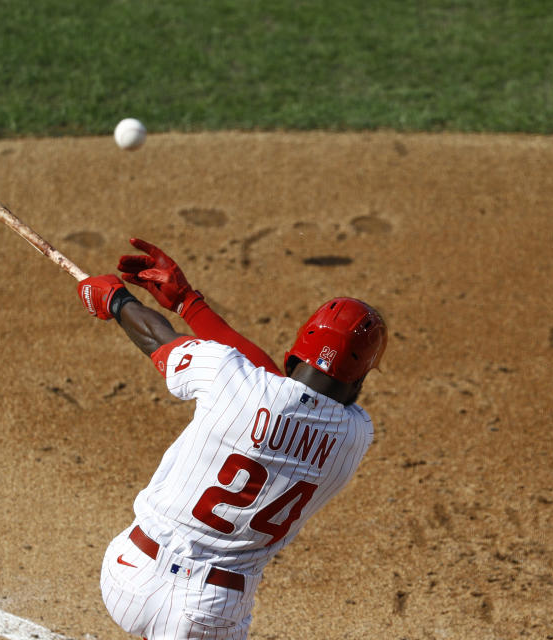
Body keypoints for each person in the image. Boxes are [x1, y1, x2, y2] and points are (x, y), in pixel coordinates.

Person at [77, 238, 388, 640]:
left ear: (296, 351)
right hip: (209, 614)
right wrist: (188, 302)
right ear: (360, 377)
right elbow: (283, 390)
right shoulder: (356, 435)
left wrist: (117, 302)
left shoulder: (229, 376)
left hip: (129, 572)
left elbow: (159, 339)